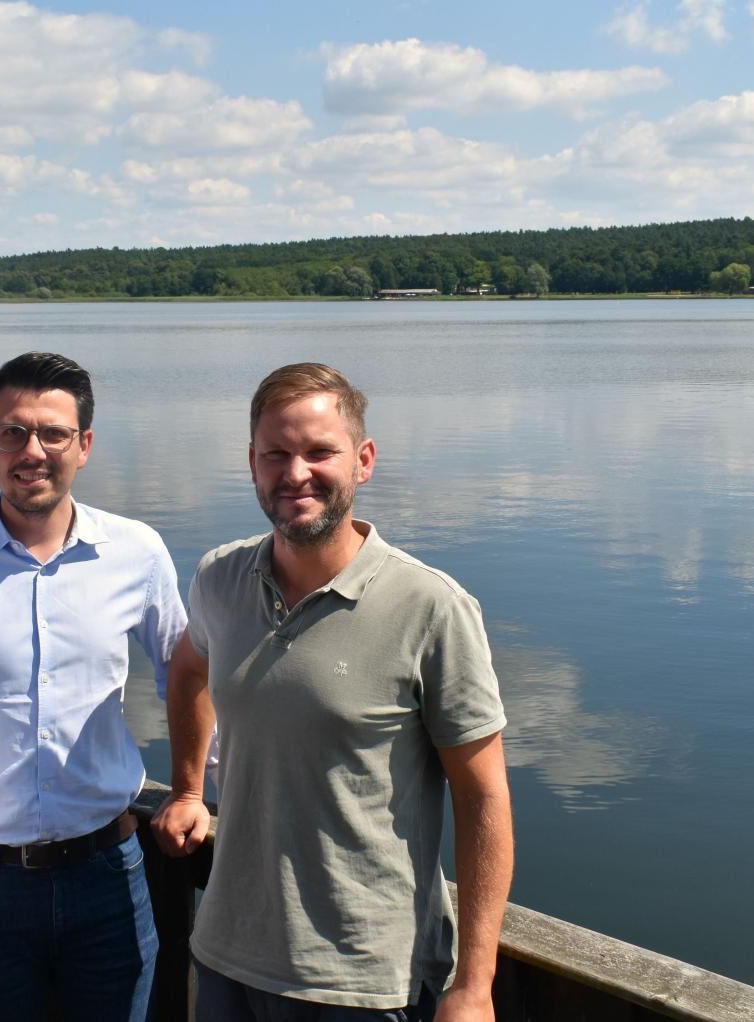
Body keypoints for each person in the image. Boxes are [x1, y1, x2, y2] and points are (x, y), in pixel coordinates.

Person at [152, 363, 514, 1021]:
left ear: (364, 460)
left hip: (363, 982)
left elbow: (483, 795)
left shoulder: (431, 607)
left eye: (320, 452)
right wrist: (186, 791)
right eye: (276, 454)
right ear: (252, 464)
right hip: (226, 956)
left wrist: (474, 983)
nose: (296, 474)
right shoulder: (220, 579)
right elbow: (187, 671)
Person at [0, 352, 186, 1021]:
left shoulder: (135, 553)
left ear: (84, 445)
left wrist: (195, 788)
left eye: (53, 433)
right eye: (12, 432)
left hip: (110, 872)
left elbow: (184, 674)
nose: (33, 450)